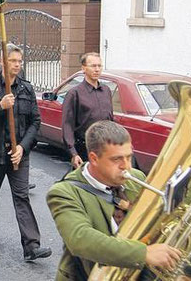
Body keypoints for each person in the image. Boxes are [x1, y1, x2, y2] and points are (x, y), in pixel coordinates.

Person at [46, 120, 182, 280]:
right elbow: (80, 238)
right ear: (94, 158)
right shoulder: (64, 192)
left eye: (129, 157)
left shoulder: (137, 178)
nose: (127, 167)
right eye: (117, 159)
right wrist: (143, 253)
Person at [0, 44, 51, 260]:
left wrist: (23, 147)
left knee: (22, 196)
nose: (17, 65)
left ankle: (31, 246)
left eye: (19, 61)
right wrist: (0, 106)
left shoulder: (26, 88)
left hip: (18, 154)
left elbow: (35, 122)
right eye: (13, 61)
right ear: (3, 62)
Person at [62, 52, 114, 169]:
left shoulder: (106, 91)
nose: (97, 69)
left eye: (99, 66)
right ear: (83, 68)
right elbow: (67, 125)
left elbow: (111, 120)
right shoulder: (74, 94)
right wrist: (73, 153)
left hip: (106, 148)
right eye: (93, 66)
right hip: (84, 149)